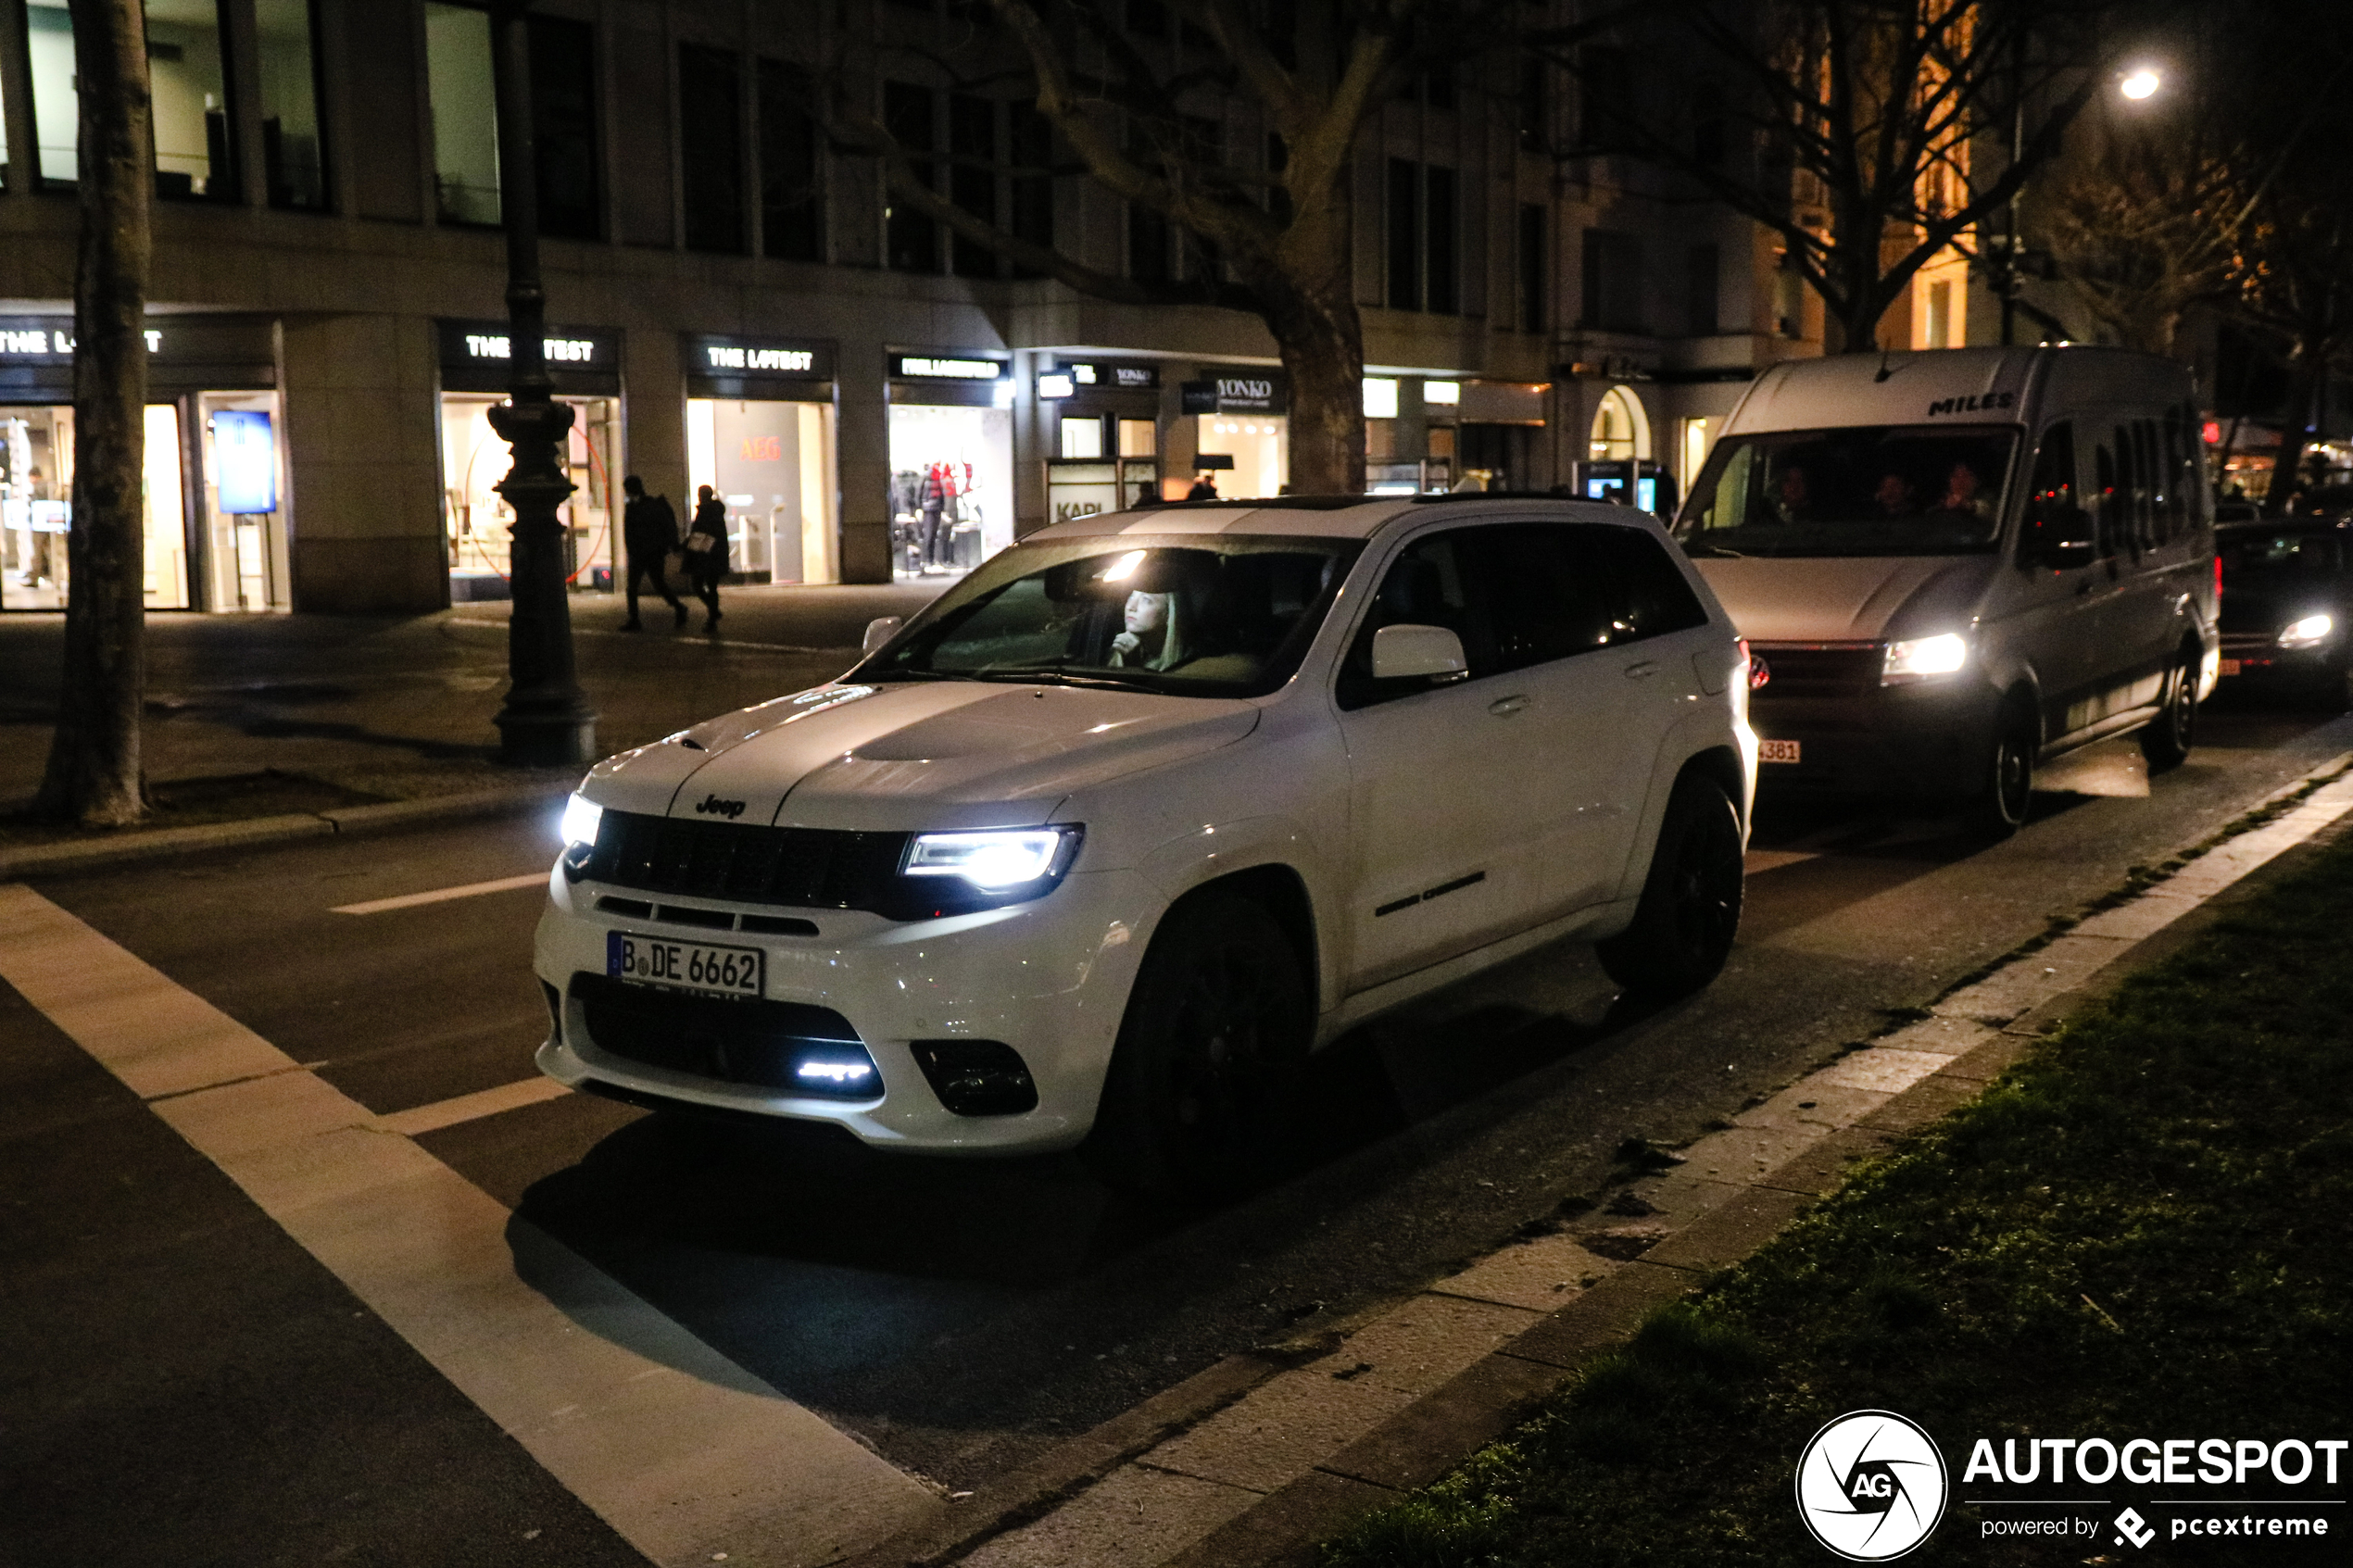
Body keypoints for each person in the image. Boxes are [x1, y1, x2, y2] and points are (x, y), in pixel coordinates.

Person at [618, 474, 685, 631]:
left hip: (648, 553)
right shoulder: (645, 506)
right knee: (652, 585)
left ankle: (636, 620)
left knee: (644, 586)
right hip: (649, 553)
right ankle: (678, 608)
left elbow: (633, 532)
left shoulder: (642, 507)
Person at [684, 484, 730, 631]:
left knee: (699, 585)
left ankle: (713, 615)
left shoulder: (705, 512)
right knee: (711, 586)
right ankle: (713, 614)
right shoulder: (717, 511)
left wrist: (685, 544)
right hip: (716, 554)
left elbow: (699, 532)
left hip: (705, 554)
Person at [1108, 589, 1182, 670]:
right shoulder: (1113, 656)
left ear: (1167, 614)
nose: (1131, 607)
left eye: (1146, 600)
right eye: (1131, 597)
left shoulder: (1186, 665)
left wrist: (1133, 666)